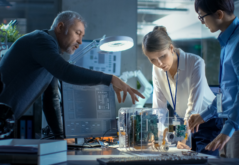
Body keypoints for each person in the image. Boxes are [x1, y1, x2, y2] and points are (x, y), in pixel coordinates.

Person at [0, 11, 144, 138]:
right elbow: (65, 71)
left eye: (82, 35)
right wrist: (110, 78)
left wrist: (60, 137)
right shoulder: (41, 40)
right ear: (60, 27)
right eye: (78, 33)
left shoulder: (50, 54)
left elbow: (51, 99)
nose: (80, 41)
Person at [188, 0, 239, 164]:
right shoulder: (229, 40)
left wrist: (229, 128)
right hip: (235, 127)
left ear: (219, 14)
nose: (203, 22)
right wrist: (204, 116)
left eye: (202, 17)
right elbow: (226, 94)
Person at [142, 26, 223, 156]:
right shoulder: (156, 69)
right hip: (183, 123)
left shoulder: (195, 62)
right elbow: (159, 108)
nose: (159, 63)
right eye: (153, 60)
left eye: (163, 56)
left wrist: (184, 138)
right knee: (182, 159)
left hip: (207, 121)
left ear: (171, 48)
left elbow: (193, 108)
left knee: (204, 160)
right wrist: (157, 137)